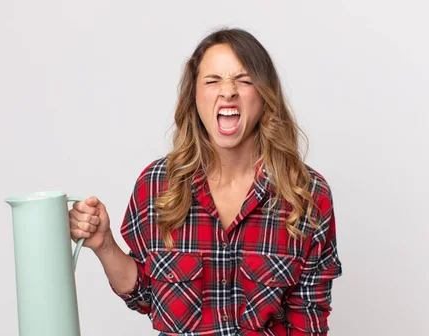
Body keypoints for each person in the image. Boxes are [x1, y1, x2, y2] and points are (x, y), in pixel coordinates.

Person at [68, 27, 343, 336]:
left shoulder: (307, 193)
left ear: (265, 95)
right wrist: (104, 244)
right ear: (194, 97)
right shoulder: (157, 185)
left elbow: (308, 321)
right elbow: (146, 297)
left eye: (243, 79)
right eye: (213, 81)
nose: (228, 91)